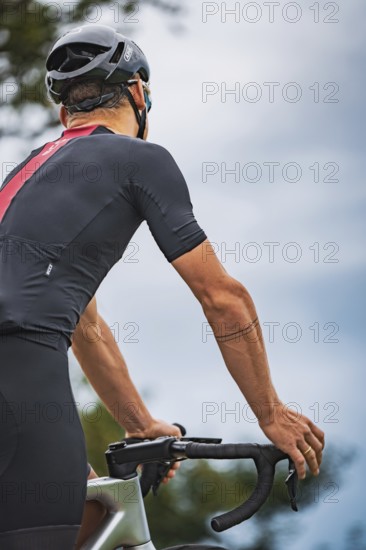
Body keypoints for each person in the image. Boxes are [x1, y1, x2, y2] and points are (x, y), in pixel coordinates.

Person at [0, 23, 324, 548]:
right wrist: (271, 412)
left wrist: (141, 425)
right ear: (138, 93)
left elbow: (86, 323)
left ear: (66, 115)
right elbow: (223, 297)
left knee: (86, 508)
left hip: (16, 386)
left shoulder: (25, 174)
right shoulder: (142, 159)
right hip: (21, 365)